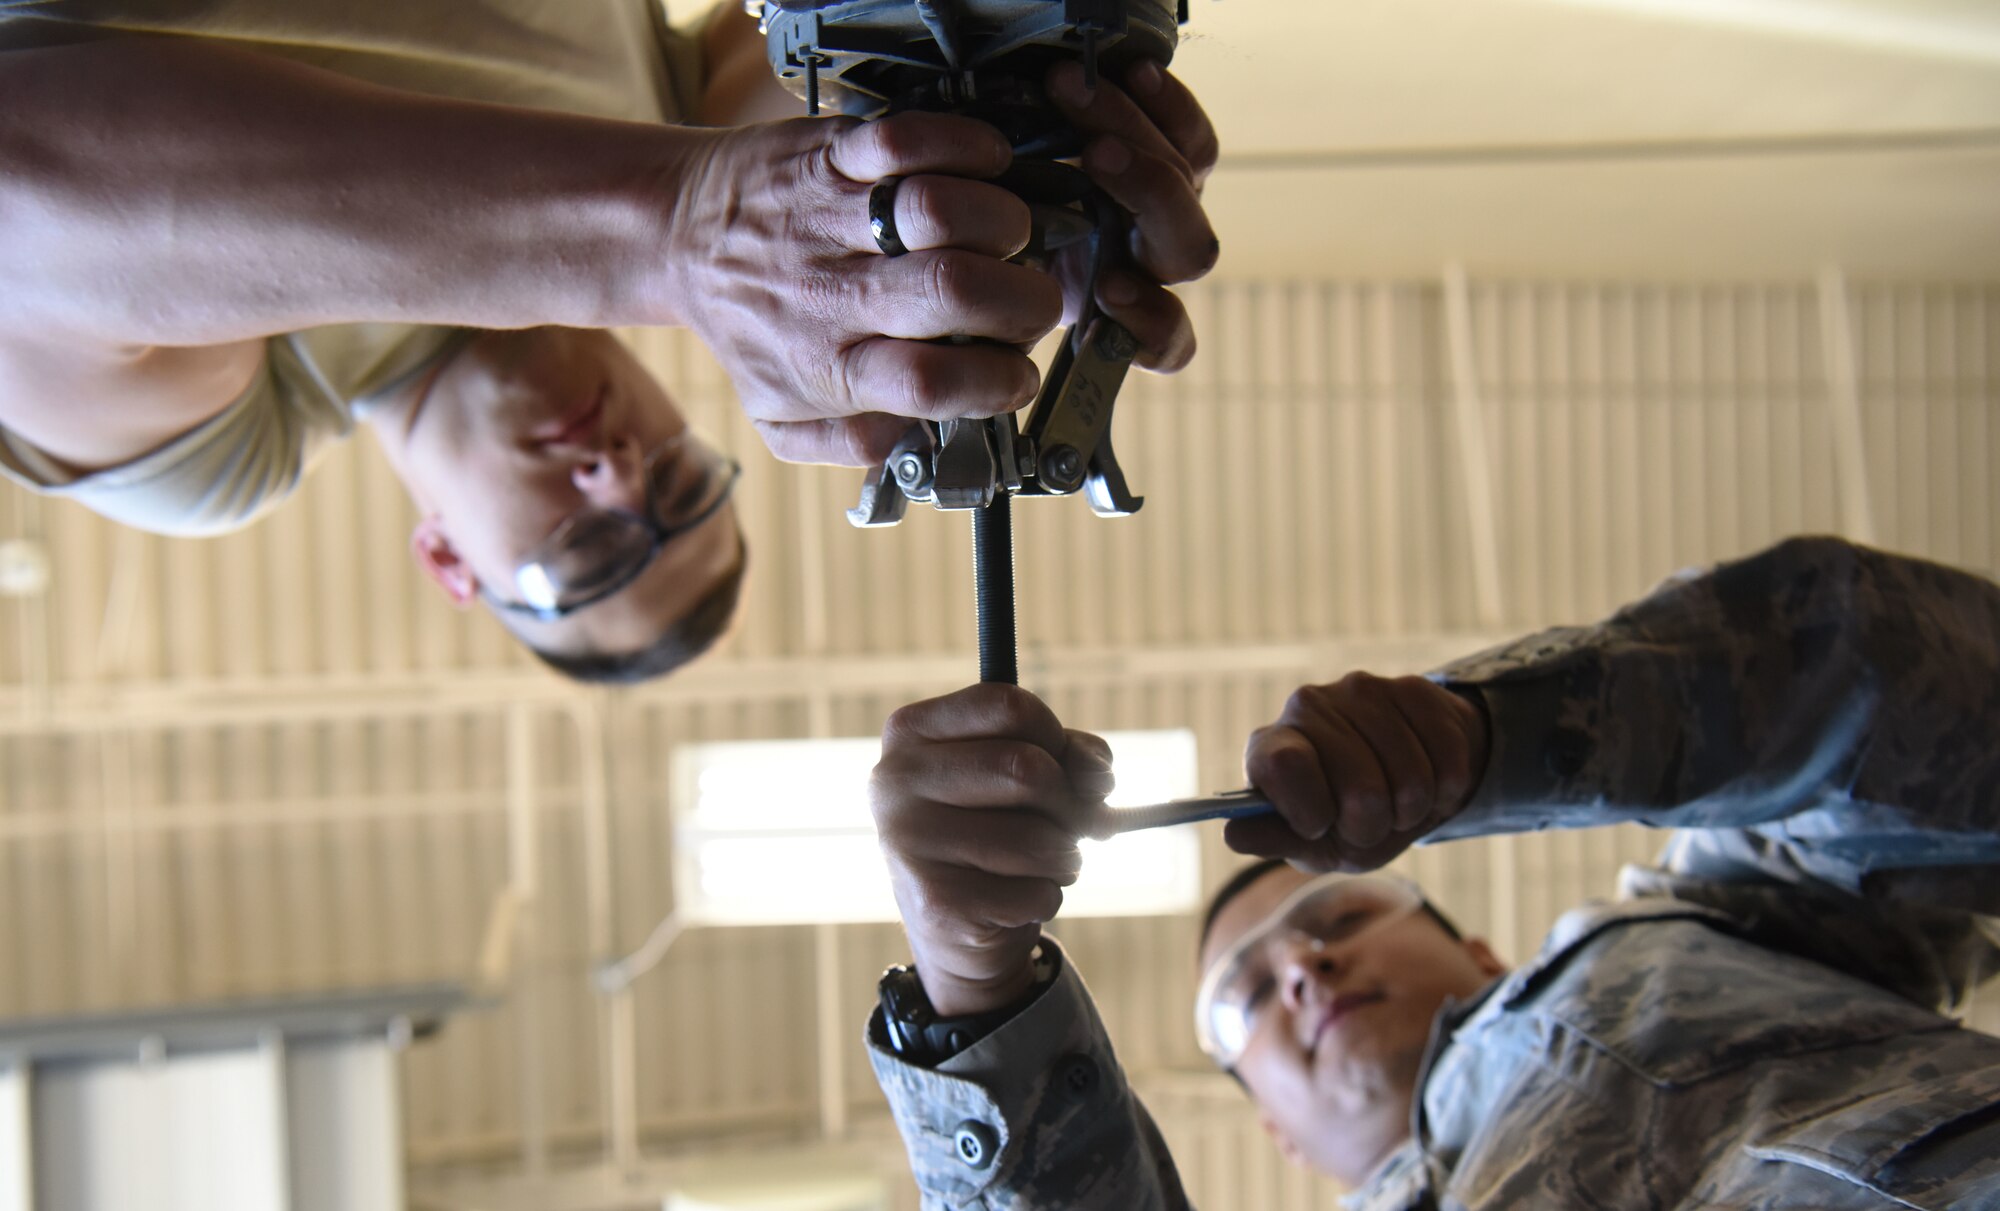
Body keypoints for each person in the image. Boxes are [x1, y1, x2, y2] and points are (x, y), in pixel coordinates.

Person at [0, 1, 1218, 681]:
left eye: (585, 551)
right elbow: (826, 78)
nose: (618, 474)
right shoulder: (669, 128)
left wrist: (672, 234)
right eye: (682, 482)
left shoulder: (236, 438)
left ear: (449, 565)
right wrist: (1010, 141)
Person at [864, 535, 2000, 1208]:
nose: (1302, 966)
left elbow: (1898, 679)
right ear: (1279, 1136)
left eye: (1338, 910)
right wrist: (976, 992)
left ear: (1479, 950)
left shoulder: (1710, 933)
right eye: (1247, 998)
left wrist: (1498, 736)